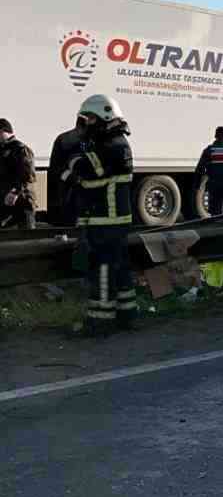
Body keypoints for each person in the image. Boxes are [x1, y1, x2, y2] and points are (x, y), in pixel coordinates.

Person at [61, 95, 136, 333]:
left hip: (106, 219)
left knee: (102, 269)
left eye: (90, 119)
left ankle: (101, 320)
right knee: (119, 267)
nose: (87, 124)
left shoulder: (113, 145)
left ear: (105, 116)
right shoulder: (114, 142)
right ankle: (126, 314)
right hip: (111, 219)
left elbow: (87, 171)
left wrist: (73, 159)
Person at [47, 115, 88, 226]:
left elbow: (55, 167)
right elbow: (55, 167)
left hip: (72, 190)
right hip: (71, 190)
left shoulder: (63, 139)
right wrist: (71, 178)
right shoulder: (65, 140)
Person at [0, 118, 37, 229]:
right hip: (5, 204)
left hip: (22, 202)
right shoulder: (3, 150)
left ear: (2, 131)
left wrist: (15, 192)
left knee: (25, 236)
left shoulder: (20, 149)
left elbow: (28, 175)